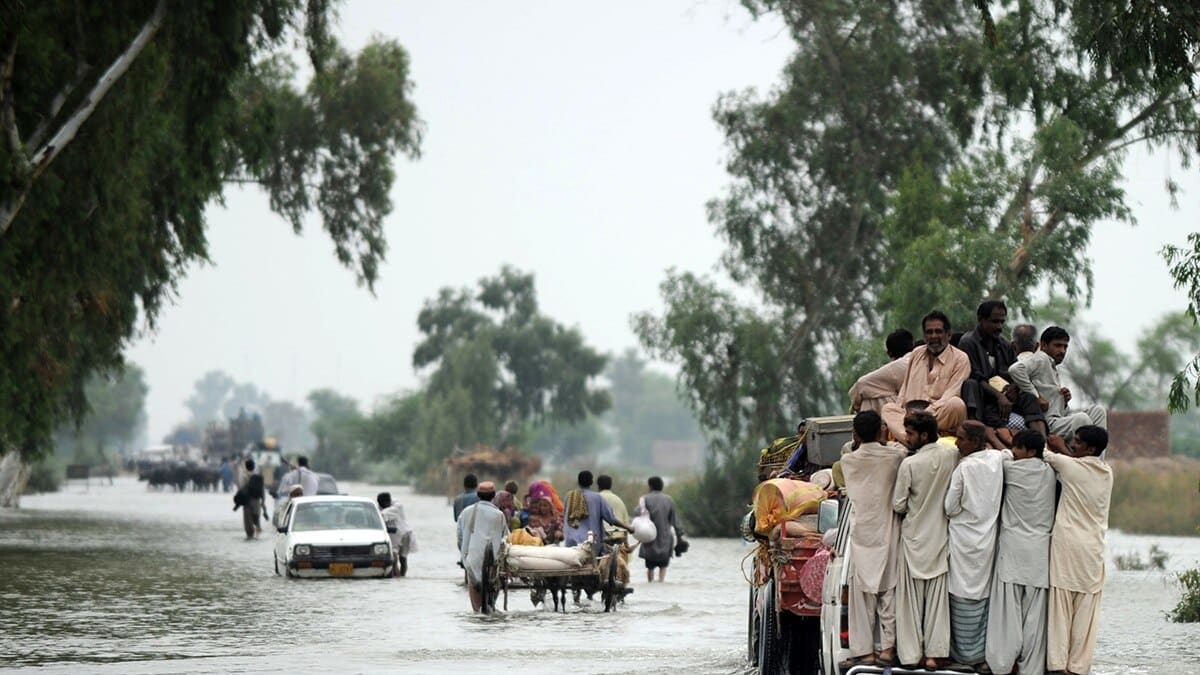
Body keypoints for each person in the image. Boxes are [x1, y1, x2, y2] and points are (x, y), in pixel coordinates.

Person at [838, 410, 907, 669]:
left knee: (862, 594)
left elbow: (849, 449)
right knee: (888, 590)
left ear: (855, 434)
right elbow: (901, 448)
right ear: (882, 431)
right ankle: (888, 648)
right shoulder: (895, 456)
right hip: (888, 530)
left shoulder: (848, 461)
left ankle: (864, 652)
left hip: (862, 533)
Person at [892, 411, 959, 670]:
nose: (906, 438)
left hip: (913, 540)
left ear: (924, 434)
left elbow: (898, 505)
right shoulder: (951, 455)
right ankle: (934, 655)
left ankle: (910, 657)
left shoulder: (909, 465)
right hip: (940, 538)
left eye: (910, 433)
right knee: (937, 604)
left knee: (909, 604)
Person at [986, 429, 1055, 675]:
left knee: (1008, 613)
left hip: (1013, 550)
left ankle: (1003, 665)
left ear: (1031, 451)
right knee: (1035, 617)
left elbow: (998, 453)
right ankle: (1032, 669)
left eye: (1018, 447)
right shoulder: (1051, 473)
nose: (1014, 452)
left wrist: (994, 436)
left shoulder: (1011, 469)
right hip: (1039, 553)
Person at [1044, 425, 1112, 675]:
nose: (1073, 443)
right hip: (1093, 551)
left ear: (1091, 449)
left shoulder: (1069, 466)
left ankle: (1057, 665)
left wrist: (1060, 446)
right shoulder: (1107, 472)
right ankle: (1079, 667)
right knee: (1086, 614)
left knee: (1060, 608)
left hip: (1067, 547)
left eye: (1078, 441)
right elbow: (1075, 462)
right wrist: (1068, 451)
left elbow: (1044, 452)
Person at [944, 421, 1004, 670]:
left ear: (975, 441)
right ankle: (979, 655)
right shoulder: (997, 460)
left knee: (959, 593)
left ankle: (962, 657)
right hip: (987, 540)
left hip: (962, 540)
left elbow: (949, 507)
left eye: (961, 438)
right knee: (982, 595)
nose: (957, 443)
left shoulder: (963, 468)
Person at [957, 300, 1048, 447]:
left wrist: (1014, 387)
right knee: (971, 384)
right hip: (984, 398)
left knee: (1029, 397)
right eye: (994, 322)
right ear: (981, 320)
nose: (999, 326)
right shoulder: (968, 342)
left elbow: (1016, 371)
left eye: (1002, 322)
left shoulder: (1004, 344)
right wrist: (998, 396)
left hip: (1007, 397)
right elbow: (975, 376)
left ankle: (1041, 445)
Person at [1008, 326, 1108, 445]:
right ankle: (1083, 460)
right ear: (1043, 345)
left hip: (1059, 418)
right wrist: (1036, 396)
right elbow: (1015, 370)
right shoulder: (1041, 357)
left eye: (1065, 346)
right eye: (1058, 345)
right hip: (1047, 423)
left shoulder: (1052, 366)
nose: (1062, 351)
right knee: (1081, 419)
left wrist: (1063, 402)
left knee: (1098, 411)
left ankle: (1097, 461)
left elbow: (1054, 404)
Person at [882, 311, 970, 441]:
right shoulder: (916, 354)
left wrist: (924, 415)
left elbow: (951, 394)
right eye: (929, 332)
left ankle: (913, 437)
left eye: (938, 331)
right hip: (910, 415)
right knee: (888, 409)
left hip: (937, 415)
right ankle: (912, 439)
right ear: (924, 336)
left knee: (956, 404)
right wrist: (901, 410)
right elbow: (904, 389)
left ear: (949, 335)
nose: (934, 336)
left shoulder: (960, 359)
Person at [456, 481, 510, 612]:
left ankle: (478, 610)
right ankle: (491, 606)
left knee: (477, 608)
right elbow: (506, 538)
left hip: (472, 559)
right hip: (493, 561)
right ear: (493, 496)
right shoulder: (499, 515)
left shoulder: (466, 512)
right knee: (494, 582)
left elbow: (460, 537)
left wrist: (463, 555)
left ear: (478, 495)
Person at [563, 470, 630, 557]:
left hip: (570, 542)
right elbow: (611, 519)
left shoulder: (569, 496)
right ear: (592, 482)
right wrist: (629, 528)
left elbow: (564, 516)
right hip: (591, 543)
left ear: (578, 482)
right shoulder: (597, 498)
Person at [849, 329, 916, 414]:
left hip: (915, 411)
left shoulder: (898, 366)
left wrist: (855, 406)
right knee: (878, 391)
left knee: (872, 396)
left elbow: (861, 385)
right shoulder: (920, 359)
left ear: (889, 353)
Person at [637, 476, 683, 582]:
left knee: (650, 567)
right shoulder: (669, 500)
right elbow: (675, 520)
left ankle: (650, 584)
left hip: (649, 537)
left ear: (650, 486)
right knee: (663, 567)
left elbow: (637, 513)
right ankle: (661, 585)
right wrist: (680, 536)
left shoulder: (645, 499)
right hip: (665, 539)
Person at [377, 491, 416, 577]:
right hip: (392, 536)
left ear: (388, 502)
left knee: (403, 559)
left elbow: (384, 513)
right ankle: (397, 579)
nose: (382, 507)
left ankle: (402, 577)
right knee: (394, 559)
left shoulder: (397, 505)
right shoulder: (379, 507)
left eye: (384, 504)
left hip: (405, 534)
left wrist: (377, 514)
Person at [597, 474, 630, 540]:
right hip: (618, 536)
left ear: (598, 485)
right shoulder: (619, 500)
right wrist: (626, 545)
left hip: (601, 537)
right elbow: (626, 523)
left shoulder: (596, 499)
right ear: (611, 485)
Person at [240, 458, 267, 539]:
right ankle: (257, 535)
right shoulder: (258, 477)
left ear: (246, 466)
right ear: (254, 466)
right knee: (257, 521)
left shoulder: (244, 476)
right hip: (257, 502)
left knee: (248, 525)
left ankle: (250, 537)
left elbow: (241, 489)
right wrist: (263, 502)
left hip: (247, 502)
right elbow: (262, 490)